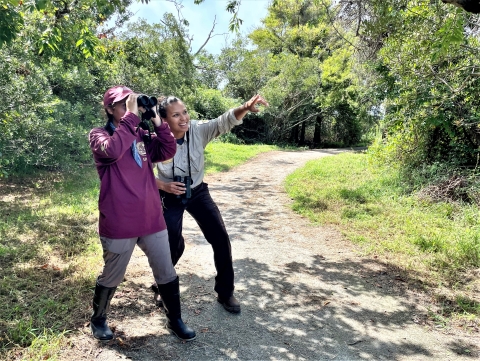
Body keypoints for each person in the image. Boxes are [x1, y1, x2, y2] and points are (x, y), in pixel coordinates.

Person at [88, 85, 196, 342]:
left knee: (166, 270)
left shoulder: (141, 134)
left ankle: (175, 319)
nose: (129, 107)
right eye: (123, 104)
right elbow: (113, 151)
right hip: (119, 219)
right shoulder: (99, 135)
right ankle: (98, 319)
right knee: (113, 274)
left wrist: (157, 119)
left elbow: (168, 149)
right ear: (109, 109)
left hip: (150, 217)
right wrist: (132, 118)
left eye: (132, 102)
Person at [152, 94, 269, 314]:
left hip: (197, 192)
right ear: (164, 120)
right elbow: (141, 172)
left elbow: (223, 121)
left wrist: (244, 107)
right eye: (176, 115)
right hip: (169, 195)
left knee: (220, 238)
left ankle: (225, 292)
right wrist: (162, 186)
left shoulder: (198, 130)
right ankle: (163, 285)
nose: (183, 118)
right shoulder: (155, 139)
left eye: (185, 112)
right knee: (171, 243)